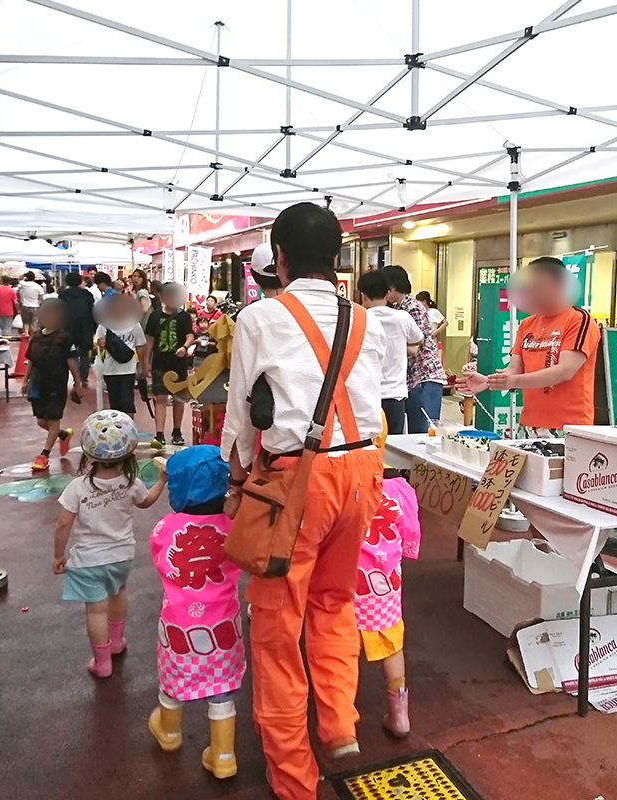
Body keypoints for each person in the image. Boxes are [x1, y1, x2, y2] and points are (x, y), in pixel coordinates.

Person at [222, 201, 385, 800]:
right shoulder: (369, 320)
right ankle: (339, 726)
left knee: (275, 625)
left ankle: (294, 779)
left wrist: (235, 480)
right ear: (339, 255)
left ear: (280, 257)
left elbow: (240, 419)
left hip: (296, 480)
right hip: (365, 469)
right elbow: (377, 398)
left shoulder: (260, 317)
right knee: (334, 601)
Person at [146, 446, 245, 779]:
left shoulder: (165, 528)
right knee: (222, 690)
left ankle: (169, 733)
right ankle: (223, 756)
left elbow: (161, 562)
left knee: (174, 680)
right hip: (223, 625)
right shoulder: (234, 524)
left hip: (179, 624)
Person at [53, 410, 166, 677]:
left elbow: (62, 524)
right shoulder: (130, 482)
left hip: (88, 560)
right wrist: (161, 481)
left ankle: (102, 663)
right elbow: (146, 501)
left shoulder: (78, 487)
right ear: (128, 454)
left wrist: (58, 554)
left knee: (96, 611)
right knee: (119, 593)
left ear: (88, 455)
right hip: (122, 555)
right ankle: (117, 642)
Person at [463, 256, 601, 434]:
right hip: (528, 423)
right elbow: (514, 369)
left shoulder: (579, 320)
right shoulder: (527, 324)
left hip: (568, 425)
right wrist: (489, 381)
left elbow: (565, 371)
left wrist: (513, 381)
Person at [355, 471, 421, 738]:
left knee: (342, 649)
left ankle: (343, 718)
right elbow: (411, 530)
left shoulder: (344, 479)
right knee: (393, 643)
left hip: (350, 582)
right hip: (387, 583)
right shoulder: (399, 486)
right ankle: (400, 715)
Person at [21, 298, 83, 471]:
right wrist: (25, 381)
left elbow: (71, 361)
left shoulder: (64, 338)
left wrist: (77, 383)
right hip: (38, 383)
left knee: (54, 418)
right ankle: (63, 435)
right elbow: (31, 360)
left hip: (57, 383)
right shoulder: (37, 337)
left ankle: (44, 455)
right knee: (41, 420)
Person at [382, 265, 446, 434]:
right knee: (410, 431)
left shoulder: (413, 307)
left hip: (424, 376)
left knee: (423, 432)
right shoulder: (396, 308)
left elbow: (419, 343)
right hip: (410, 378)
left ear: (393, 287)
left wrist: (391, 346)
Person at [359, 270, 423, 435]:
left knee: (369, 442)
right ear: (388, 294)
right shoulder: (402, 317)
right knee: (394, 444)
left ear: (363, 295)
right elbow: (418, 339)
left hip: (367, 394)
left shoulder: (359, 319)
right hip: (395, 394)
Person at [145, 282, 194, 449]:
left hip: (179, 364)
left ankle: (177, 431)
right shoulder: (155, 316)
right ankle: (159, 434)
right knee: (160, 397)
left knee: (179, 398)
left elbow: (190, 335)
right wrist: (145, 362)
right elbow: (150, 340)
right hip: (160, 362)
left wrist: (184, 347)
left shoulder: (184, 316)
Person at [95, 293, 147, 415]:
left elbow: (140, 346)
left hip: (128, 369)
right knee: (114, 402)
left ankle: (129, 429)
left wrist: (142, 366)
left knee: (127, 401)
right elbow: (98, 344)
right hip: (110, 369)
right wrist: (101, 344)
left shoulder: (134, 325)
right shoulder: (104, 325)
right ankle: (118, 430)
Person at [60, 272, 97, 389]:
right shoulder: (87, 294)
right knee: (84, 353)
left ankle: (74, 378)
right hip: (85, 327)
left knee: (69, 353)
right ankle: (84, 378)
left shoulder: (62, 295)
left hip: (68, 327)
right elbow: (92, 311)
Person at [17, 271, 45, 336]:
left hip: (25, 305)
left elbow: (18, 279)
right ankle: (33, 335)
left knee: (26, 322)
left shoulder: (23, 284)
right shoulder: (38, 286)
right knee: (34, 322)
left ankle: (26, 334)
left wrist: (23, 274)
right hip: (35, 305)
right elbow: (41, 297)